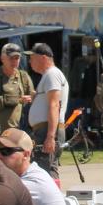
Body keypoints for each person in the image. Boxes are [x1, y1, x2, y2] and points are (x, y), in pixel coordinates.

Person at [25, 43, 67, 182]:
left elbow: (54, 104)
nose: (30, 61)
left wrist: (50, 136)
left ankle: (54, 202)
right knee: (46, 170)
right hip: (45, 129)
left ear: (43, 57)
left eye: (32, 57)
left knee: (47, 171)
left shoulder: (52, 74)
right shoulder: (49, 75)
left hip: (47, 130)